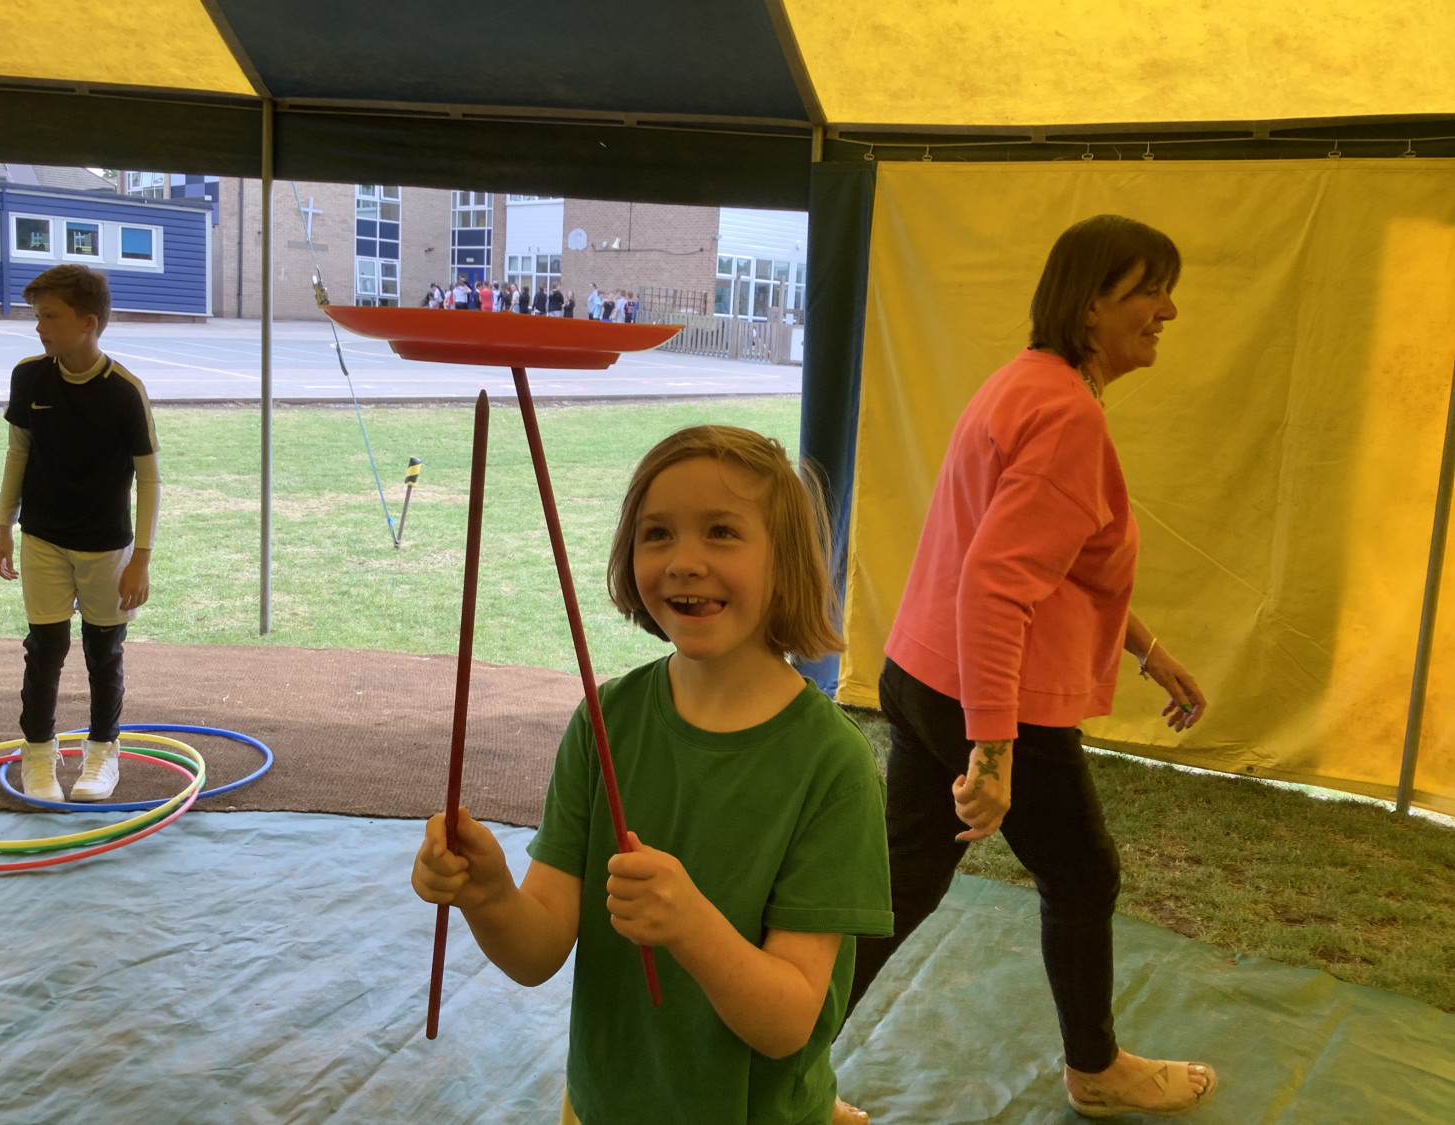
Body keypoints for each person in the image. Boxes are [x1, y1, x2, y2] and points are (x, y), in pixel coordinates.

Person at [412, 425, 893, 1125]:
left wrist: (690, 926)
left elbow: (789, 1020)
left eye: (722, 532)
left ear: (786, 562)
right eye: (657, 533)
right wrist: (487, 895)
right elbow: (537, 949)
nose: (684, 562)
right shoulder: (604, 721)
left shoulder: (832, 766)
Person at [846, 215, 1216, 1119]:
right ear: (1090, 306)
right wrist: (994, 752)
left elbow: (1059, 568)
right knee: (1083, 875)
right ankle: (1097, 1069)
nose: (1169, 310)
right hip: (985, 696)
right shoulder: (1066, 415)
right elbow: (996, 585)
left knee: (900, 886)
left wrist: (1149, 650)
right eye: (1149, 290)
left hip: (924, 673)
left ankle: (767, 1056)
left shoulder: (1027, 382)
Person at [0, 264, 161, 804]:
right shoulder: (28, 376)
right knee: (44, 648)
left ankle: (102, 752)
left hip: (106, 545)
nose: (39, 327)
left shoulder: (125, 391)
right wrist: (4, 527)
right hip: (41, 537)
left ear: (88, 322)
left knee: (103, 651)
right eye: (37, 316)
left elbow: (150, 478)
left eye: (50, 316)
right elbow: (17, 454)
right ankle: (39, 754)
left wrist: (141, 559)